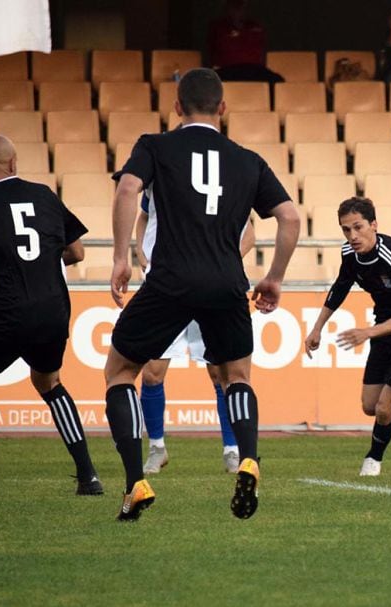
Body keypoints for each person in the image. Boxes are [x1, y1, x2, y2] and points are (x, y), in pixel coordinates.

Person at [104, 68, 300, 521]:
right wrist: (274, 277)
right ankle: (248, 456)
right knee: (237, 377)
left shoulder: (155, 145)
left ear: (176, 107)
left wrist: (120, 257)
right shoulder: (248, 159)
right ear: (223, 109)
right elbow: (289, 217)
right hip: (227, 282)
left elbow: (128, 187)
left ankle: (136, 483)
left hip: (169, 279)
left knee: (120, 372)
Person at [0, 134, 103, 497]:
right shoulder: (45, 195)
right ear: (14, 163)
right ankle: (88, 476)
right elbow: (76, 252)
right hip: (54, 309)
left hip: (10, 310)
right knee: (50, 384)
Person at [305, 198, 391, 476]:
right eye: (346, 230)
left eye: (358, 227)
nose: (353, 236)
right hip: (384, 327)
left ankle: (373, 459)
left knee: (384, 406)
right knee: (370, 406)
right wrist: (317, 327)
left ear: (374, 225)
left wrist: (367, 333)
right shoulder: (350, 254)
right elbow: (340, 287)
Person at [134, 197, 257, 475]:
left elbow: (249, 231)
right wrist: (142, 255)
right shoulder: (164, 182)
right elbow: (143, 216)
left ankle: (231, 450)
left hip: (212, 288)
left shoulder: (219, 182)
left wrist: (226, 260)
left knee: (220, 374)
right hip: (167, 288)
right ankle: (156, 447)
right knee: (152, 371)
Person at [208, 0, 283, 83]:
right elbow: (213, 54)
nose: (239, 11)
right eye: (236, 7)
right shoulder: (218, 28)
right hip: (228, 70)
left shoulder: (256, 27)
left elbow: (260, 53)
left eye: (242, 7)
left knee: (277, 80)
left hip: (254, 70)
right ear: (228, 8)